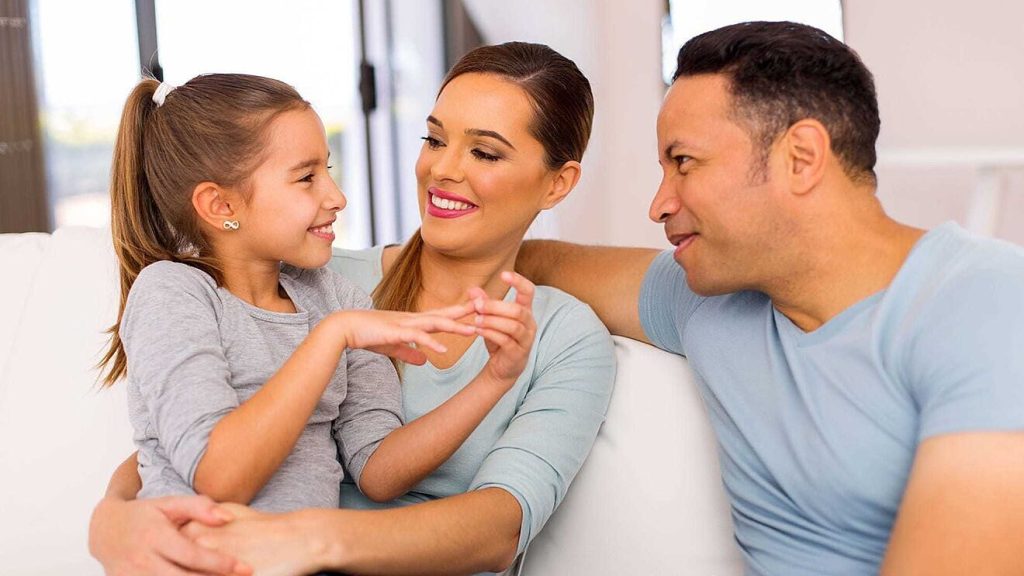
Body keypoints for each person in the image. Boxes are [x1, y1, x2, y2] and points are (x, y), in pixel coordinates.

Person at [514, 21, 1024, 576]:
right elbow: (538, 262)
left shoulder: (987, 304)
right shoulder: (708, 301)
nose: (658, 205)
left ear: (801, 158)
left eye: (683, 162)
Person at [89, 43, 615, 576]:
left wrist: (496, 378)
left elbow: (479, 524)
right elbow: (183, 442)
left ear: (558, 183)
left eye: (484, 152)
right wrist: (112, 518)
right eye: (434, 140)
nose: (442, 169)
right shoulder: (310, 275)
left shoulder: (559, 337)